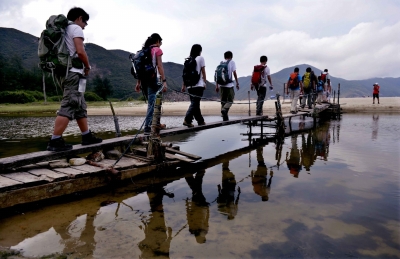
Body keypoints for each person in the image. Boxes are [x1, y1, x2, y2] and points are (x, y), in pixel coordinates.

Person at [47, 7, 102, 152]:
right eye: (85, 21)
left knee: (80, 105)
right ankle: (55, 140)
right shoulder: (75, 29)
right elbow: (80, 51)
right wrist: (88, 66)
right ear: (79, 18)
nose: (85, 25)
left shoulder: (64, 30)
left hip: (64, 72)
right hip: (73, 72)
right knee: (70, 104)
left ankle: (86, 136)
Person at [135, 33, 167, 135]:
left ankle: (155, 123)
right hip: (154, 79)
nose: (160, 44)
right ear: (157, 41)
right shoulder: (157, 50)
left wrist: (138, 82)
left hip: (145, 80)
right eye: (160, 42)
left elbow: (140, 69)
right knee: (154, 103)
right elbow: (160, 66)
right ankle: (148, 126)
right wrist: (164, 81)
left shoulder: (143, 51)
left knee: (152, 102)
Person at [182, 44, 206, 127]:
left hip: (189, 85)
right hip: (198, 85)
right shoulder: (200, 58)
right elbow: (203, 71)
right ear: (199, 51)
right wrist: (204, 83)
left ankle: (200, 121)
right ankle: (187, 119)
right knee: (195, 103)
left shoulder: (188, 60)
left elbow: (184, 74)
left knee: (195, 103)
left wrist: (184, 85)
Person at [215, 51, 239, 121]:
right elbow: (234, 73)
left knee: (223, 101)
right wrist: (237, 83)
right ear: (231, 57)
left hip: (221, 85)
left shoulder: (221, 62)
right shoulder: (232, 62)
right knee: (230, 100)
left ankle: (224, 115)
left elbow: (217, 75)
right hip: (229, 85)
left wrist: (217, 86)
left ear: (224, 56)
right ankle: (224, 110)